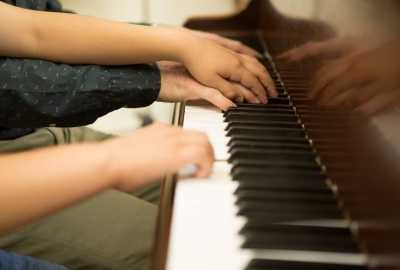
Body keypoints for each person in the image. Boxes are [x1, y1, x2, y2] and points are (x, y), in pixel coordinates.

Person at [0, 1, 277, 269]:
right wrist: (151, 78)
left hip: (28, 136)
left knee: (231, 198)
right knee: (200, 244)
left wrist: (172, 41)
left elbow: (34, 30)